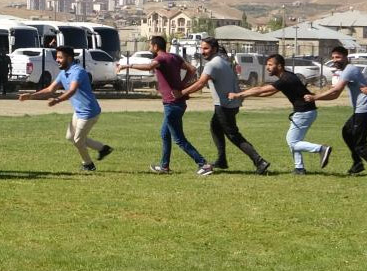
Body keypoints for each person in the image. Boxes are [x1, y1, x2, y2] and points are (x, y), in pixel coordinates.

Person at [117, 35, 211, 175]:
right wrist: (181, 85)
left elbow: (149, 66)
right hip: (178, 103)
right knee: (164, 134)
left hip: (172, 104)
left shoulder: (160, 59)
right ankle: (164, 166)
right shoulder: (175, 57)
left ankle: (203, 164)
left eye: (150, 45)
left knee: (178, 139)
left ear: (155, 46)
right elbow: (192, 69)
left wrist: (126, 65)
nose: (150, 48)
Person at [179, 37, 271, 175]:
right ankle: (222, 160)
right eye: (201, 48)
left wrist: (182, 92)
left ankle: (259, 161)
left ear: (214, 49)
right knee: (215, 127)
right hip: (231, 104)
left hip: (224, 106)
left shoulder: (212, 64)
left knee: (233, 135)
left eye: (206, 48)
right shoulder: (223, 61)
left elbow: (201, 83)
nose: (202, 51)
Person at [230, 54, 332, 175]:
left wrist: (238, 95)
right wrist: (247, 95)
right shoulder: (287, 77)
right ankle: (299, 169)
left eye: (270, 65)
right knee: (294, 140)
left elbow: (261, 89)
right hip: (305, 111)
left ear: (279, 66)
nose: (267, 67)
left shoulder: (285, 79)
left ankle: (321, 149)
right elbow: (268, 93)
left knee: (293, 142)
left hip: (304, 112)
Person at [19, 46, 112, 171]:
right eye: (57, 57)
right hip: (79, 112)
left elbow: (72, 90)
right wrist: (30, 96)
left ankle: (88, 165)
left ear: (69, 58)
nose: (57, 60)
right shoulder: (63, 73)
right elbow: (50, 89)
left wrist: (57, 100)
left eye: (60, 57)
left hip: (89, 112)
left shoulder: (78, 71)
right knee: (70, 137)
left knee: (78, 140)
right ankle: (103, 149)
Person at [304, 46, 367, 175]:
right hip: (360, 110)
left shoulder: (350, 70)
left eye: (338, 57)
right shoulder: (346, 71)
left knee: (360, 145)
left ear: (345, 57)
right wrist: (318, 99)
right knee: (347, 132)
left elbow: (335, 90)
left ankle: (358, 162)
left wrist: (315, 97)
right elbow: (335, 95)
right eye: (333, 57)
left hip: (364, 110)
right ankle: (357, 163)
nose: (334, 60)